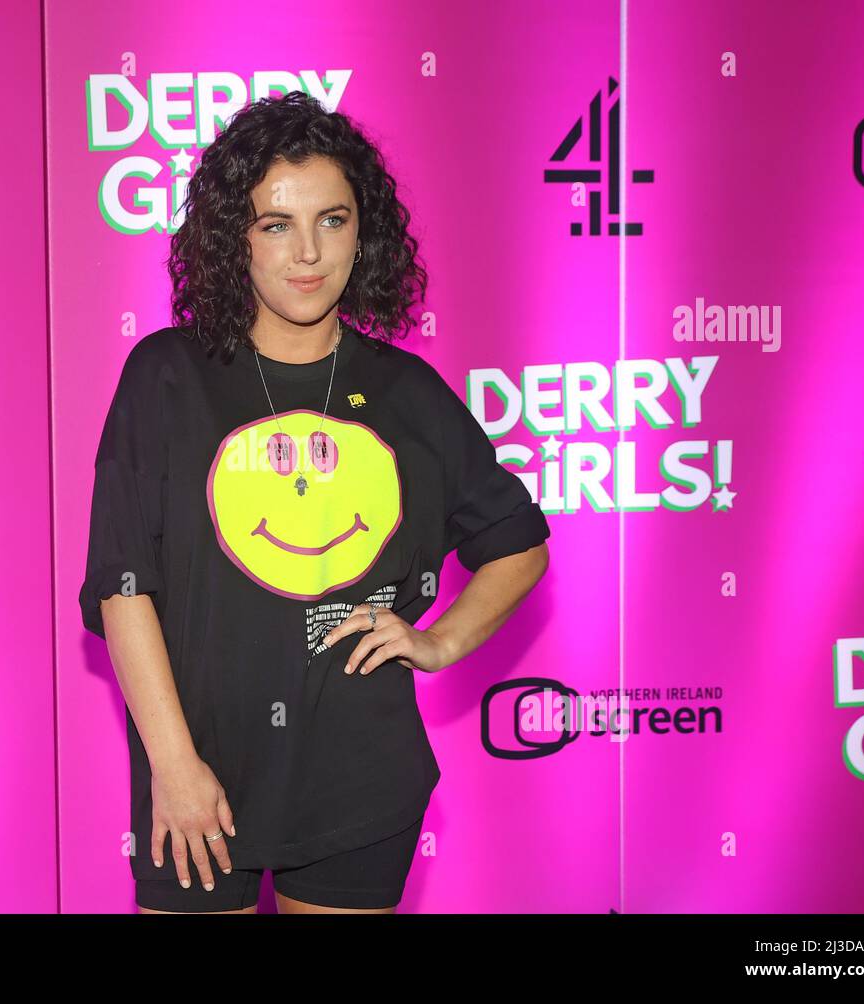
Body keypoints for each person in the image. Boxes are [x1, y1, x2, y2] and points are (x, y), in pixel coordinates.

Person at [79, 91, 550, 914]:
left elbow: (519, 543)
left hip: (359, 778)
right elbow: (124, 585)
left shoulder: (407, 395)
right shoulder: (166, 376)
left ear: (361, 234)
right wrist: (175, 767)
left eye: (331, 220)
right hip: (198, 776)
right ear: (236, 239)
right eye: (275, 224)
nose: (307, 252)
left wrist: (437, 643)